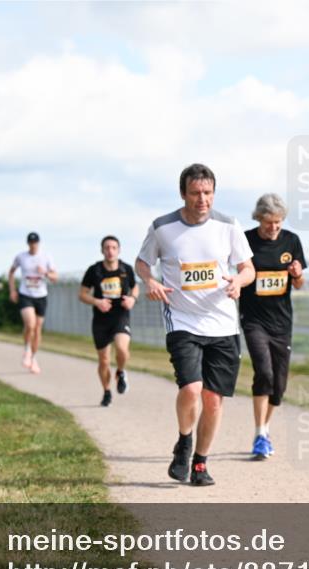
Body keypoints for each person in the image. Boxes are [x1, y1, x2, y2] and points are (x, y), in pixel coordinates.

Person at [136, 163, 255, 486]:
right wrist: (150, 281)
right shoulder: (163, 228)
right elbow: (142, 262)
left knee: (213, 400)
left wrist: (238, 282)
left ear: (214, 193)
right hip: (183, 320)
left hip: (223, 324)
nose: (202, 199)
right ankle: (184, 440)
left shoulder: (229, 225)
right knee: (191, 388)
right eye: (195, 193)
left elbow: (248, 268)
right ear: (183, 194)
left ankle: (200, 463)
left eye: (208, 193)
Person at [238, 193, 306, 460]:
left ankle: (265, 430)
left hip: (282, 322)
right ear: (259, 219)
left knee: (279, 383)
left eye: (278, 222)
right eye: (268, 223)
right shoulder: (246, 241)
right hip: (254, 319)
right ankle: (259, 433)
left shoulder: (292, 241)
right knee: (263, 372)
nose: (274, 228)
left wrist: (297, 275)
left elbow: (299, 285)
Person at [79, 236, 140, 407]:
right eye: (107, 247)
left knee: (122, 349)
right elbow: (82, 294)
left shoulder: (126, 269)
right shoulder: (94, 270)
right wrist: (97, 302)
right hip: (101, 320)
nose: (110, 251)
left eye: (113, 247)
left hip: (120, 315)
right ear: (102, 250)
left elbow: (135, 287)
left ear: (118, 250)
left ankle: (120, 372)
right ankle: (106, 391)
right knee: (104, 361)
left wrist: (132, 299)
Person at [8, 232, 58, 374]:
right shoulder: (21, 257)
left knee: (37, 329)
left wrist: (46, 273)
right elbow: (11, 272)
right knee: (30, 324)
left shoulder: (46, 257)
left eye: (35, 242)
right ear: (28, 243)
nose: (33, 245)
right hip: (25, 294)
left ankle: (34, 358)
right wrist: (12, 290)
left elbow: (55, 277)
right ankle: (27, 350)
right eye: (31, 242)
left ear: (39, 243)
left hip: (41, 296)